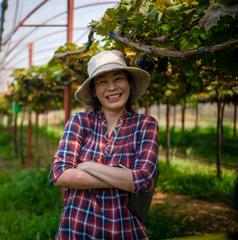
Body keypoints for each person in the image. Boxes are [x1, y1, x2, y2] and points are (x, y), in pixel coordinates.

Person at [50, 50, 159, 239]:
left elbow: (142, 180)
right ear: (94, 90)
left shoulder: (145, 124)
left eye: (118, 79)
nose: (112, 87)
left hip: (124, 231)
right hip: (76, 228)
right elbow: (59, 174)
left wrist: (88, 166)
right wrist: (123, 179)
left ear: (129, 83)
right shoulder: (80, 122)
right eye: (102, 82)